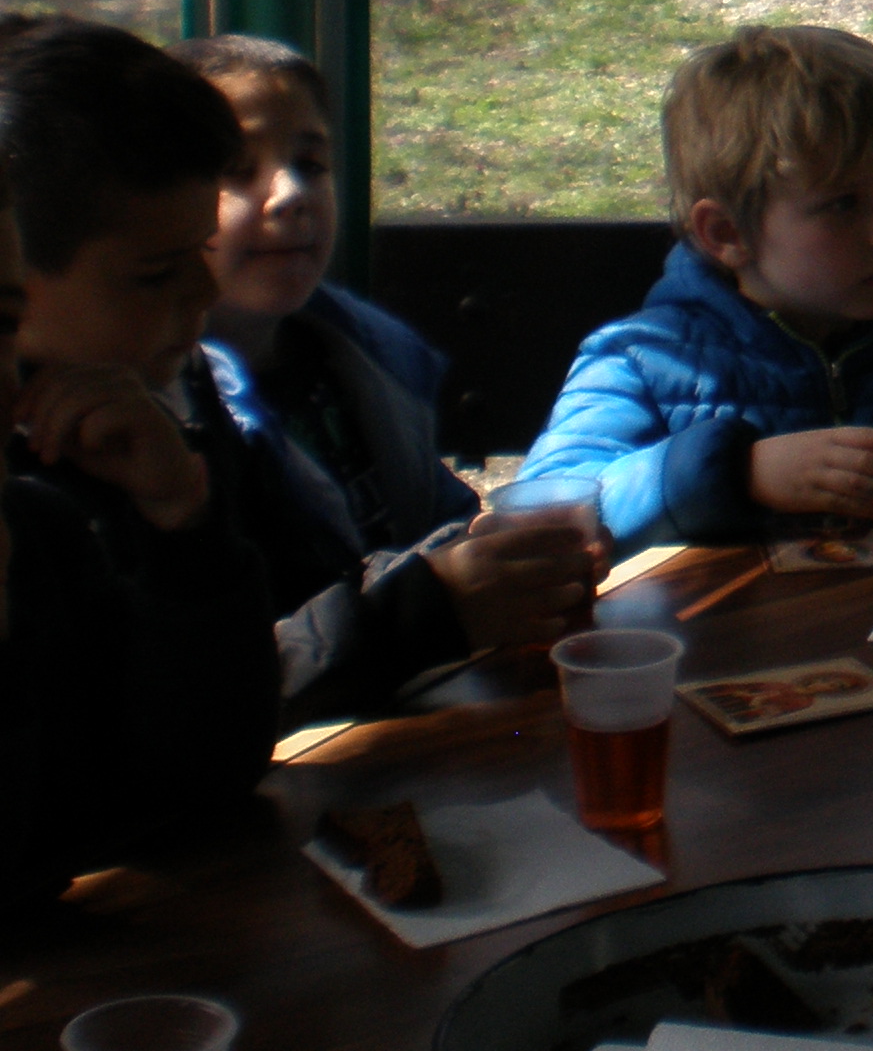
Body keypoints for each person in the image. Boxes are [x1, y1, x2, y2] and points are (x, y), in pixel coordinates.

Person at [178, 35, 589, 719]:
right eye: (238, 170)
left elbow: (431, 518)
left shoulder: (360, 364)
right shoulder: (176, 421)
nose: (290, 194)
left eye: (311, 164)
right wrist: (433, 604)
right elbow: (231, 678)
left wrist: (500, 552)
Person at [523, 25, 873, 547]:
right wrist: (737, 472)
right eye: (843, 204)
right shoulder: (642, 364)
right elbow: (546, 513)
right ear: (727, 234)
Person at [0, 21, 277, 898]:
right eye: (156, 273)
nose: (206, 292)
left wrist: (182, 519)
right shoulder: (34, 510)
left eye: (203, 251)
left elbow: (204, 775)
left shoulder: (146, 428)